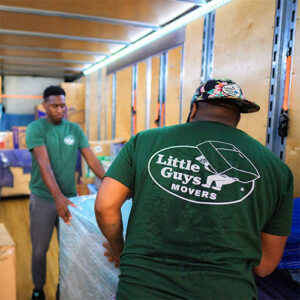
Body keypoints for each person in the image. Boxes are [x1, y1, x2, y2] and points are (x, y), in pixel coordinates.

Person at [95, 79, 294, 300]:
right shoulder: (278, 171)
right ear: (238, 116)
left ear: (195, 109)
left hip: (143, 290)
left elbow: (105, 206)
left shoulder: (144, 141)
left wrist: (119, 250)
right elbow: (265, 266)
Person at [26, 85, 105, 300]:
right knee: (40, 250)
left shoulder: (75, 130)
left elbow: (92, 160)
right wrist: (57, 197)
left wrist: (109, 182)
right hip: (43, 199)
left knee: (68, 248)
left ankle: (65, 286)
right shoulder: (36, 128)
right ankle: (38, 289)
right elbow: (44, 164)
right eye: (54, 106)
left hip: (70, 200)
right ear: (45, 106)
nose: (60, 110)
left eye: (63, 106)